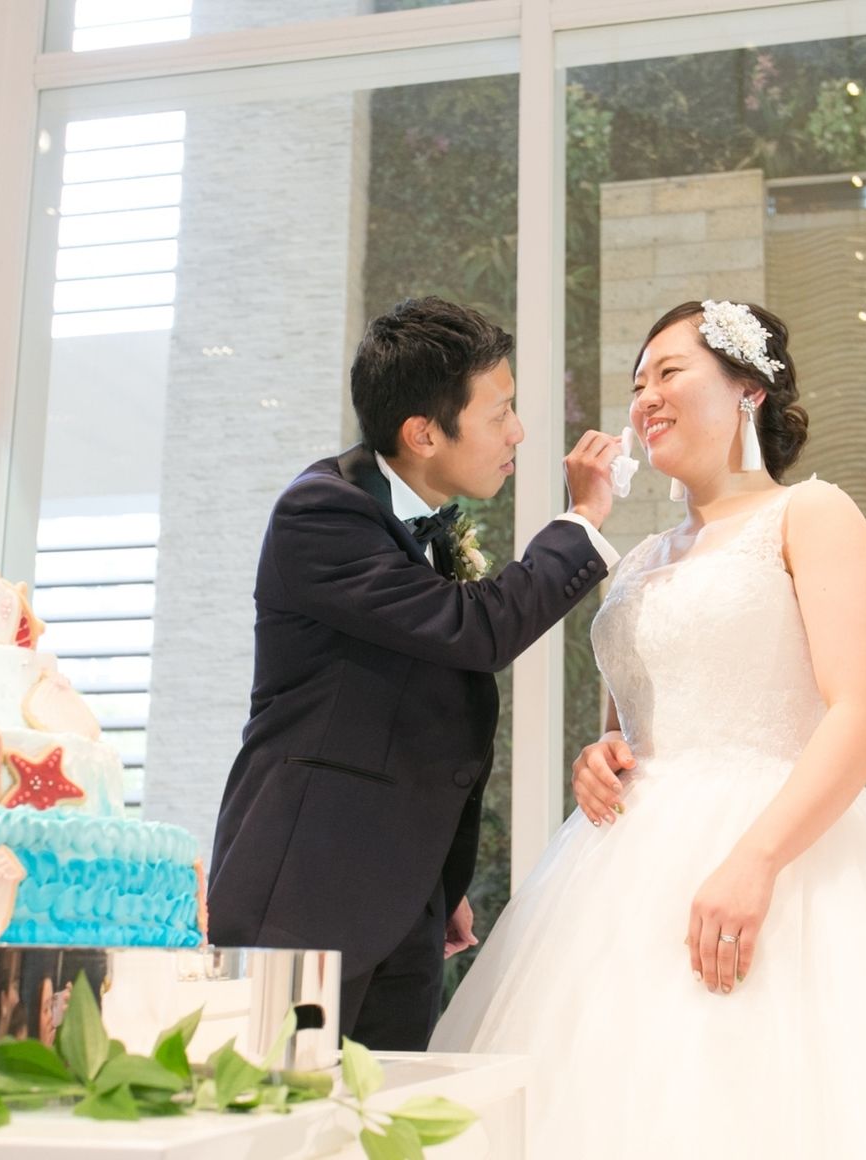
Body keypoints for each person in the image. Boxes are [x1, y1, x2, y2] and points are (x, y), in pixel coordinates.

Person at [431, 300, 866, 1158]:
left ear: (749, 391)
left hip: (784, 856)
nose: (645, 398)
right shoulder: (642, 556)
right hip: (618, 875)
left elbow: (865, 711)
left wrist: (756, 860)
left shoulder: (812, 514)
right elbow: (631, 723)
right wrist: (599, 755)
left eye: (669, 372)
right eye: (637, 383)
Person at [208, 296, 621, 1051]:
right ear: (423, 433)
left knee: (385, 1110)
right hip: (305, 899)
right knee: (280, 1106)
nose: (518, 432)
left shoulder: (419, 527)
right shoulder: (322, 513)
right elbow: (477, 630)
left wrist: (432, 881)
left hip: (405, 904)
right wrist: (582, 519)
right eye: (500, 412)